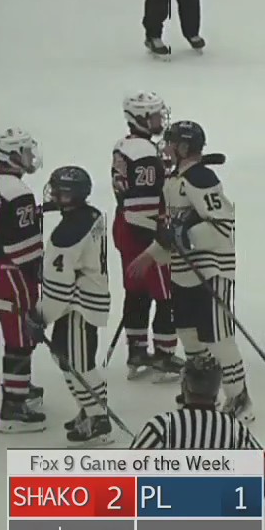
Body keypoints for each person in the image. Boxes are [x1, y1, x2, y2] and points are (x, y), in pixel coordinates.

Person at [128, 353, 265, 530]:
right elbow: (264, 476)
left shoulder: (162, 427)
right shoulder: (232, 429)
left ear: (185, 385)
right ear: (217, 388)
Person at [126, 121, 253, 420]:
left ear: (183, 148)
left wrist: (184, 235)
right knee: (189, 335)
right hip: (183, 272)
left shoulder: (201, 178)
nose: (166, 149)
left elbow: (222, 226)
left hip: (211, 272)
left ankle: (239, 398)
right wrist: (150, 255)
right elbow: (174, 231)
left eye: (170, 143)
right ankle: (200, 392)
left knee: (218, 338)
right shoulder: (175, 181)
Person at [26, 167, 114, 445]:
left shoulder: (65, 236)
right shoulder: (91, 214)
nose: (51, 194)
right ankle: (90, 409)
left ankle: (98, 417)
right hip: (86, 299)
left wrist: (40, 317)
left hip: (79, 307)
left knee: (78, 364)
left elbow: (59, 290)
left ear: (69, 196)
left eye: (57, 191)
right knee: (65, 358)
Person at [112, 91, 182, 380]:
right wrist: (160, 237)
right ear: (140, 118)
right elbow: (144, 202)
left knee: (136, 290)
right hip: (144, 229)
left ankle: (137, 351)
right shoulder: (144, 153)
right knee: (167, 294)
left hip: (125, 226)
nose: (160, 119)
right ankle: (164, 356)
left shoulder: (126, 145)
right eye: (154, 115)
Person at [0, 128, 46, 432]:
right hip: (7, 269)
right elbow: (26, 249)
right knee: (20, 330)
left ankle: (18, 386)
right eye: (25, 151)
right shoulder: (19, 192)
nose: (30, 157)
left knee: (17, 328)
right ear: (12, 155)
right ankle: (14, 406)